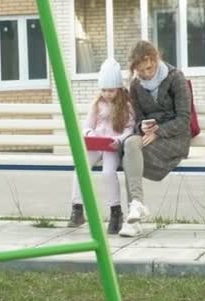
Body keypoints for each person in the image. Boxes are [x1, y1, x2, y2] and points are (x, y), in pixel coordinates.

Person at [118, 40, 192, 237]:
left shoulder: (175, 77)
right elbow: (140, 118)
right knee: (130, 143)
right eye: (141, 71)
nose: (146, 74)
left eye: (149, 68)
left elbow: (184, 119)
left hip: (174, 138)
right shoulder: (135, 85)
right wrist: (142, 126)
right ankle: (136, 205)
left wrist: (159, 131)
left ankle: (133, 220)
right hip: (150, 136)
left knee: (129, 158)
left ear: (156, 59)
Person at [68, 58, 135, 235]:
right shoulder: (97, 104)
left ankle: (115, 213)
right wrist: (90, 135)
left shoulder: (126, 106)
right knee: (80, 167)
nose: (107, 94)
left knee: (108, 173)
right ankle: (77, 209)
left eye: (111, 90)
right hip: (96, 144)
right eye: (104, 90)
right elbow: (87, 127)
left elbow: (130, 128)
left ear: (119, 89)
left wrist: (119, 140)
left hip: (112, 146)